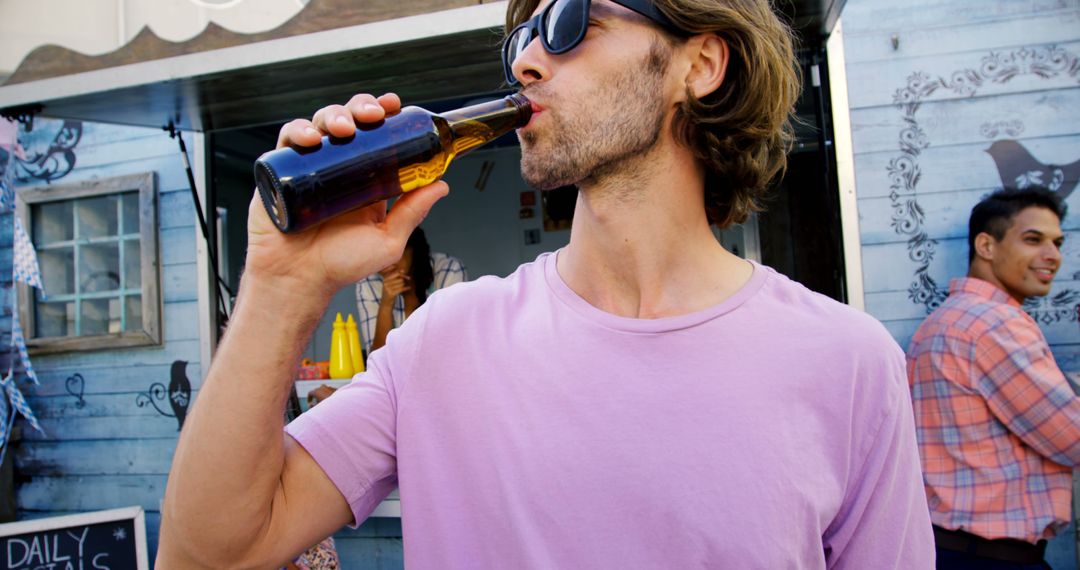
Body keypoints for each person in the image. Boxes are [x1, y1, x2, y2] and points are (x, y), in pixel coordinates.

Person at [157, 0, 934, 567]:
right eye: (519, 41)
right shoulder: (445, 341)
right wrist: (280, 285)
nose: (527, 60)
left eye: (568, 22)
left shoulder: (846, 361)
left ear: (698, 64)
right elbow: (211, 554)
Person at [907, 187, 1079, 569]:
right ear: (986, 246)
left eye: (1057, 242)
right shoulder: (992, 324)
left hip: (954, 549)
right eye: (1033, 240)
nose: (1052, 256)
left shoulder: (944, 320)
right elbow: (1073, 437)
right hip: (991, 556)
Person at [355, 227, 467, 355]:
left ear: (413, 248)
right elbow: (377, 362)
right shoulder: (368, 282)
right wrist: (385, 306)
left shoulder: (448, 271)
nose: (385, 261)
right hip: (395, 374)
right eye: (377, 254)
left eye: (392, 251)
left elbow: (454, 344)